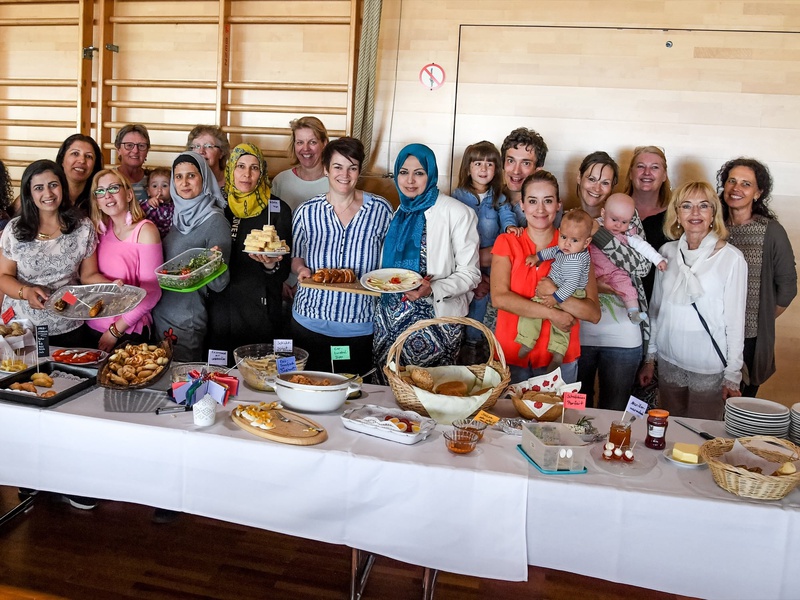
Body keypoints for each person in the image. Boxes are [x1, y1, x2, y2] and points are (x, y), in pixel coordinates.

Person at [638, 181, 747, 419]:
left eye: (703, 206)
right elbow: (656, 308)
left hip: (708, 365)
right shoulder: (666, 252)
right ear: (677, 213)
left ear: (713, 214)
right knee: (669, 429)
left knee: (701, 435)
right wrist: (650, 358)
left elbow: (735, 322)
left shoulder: (731, 259)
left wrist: (733, 373)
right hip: (669, 360)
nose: (695, 213)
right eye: (687, 206)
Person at [373, 143, 480, 382]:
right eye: (403, 172)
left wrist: (433, 288)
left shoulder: (457, 212)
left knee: (430, 393)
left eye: (419, 173)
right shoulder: (400, 211)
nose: (410, 180)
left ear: (431, 175)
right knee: (388, 390)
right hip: (389, 319)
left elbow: (471, 274)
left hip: (435, 321)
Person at [292, 137, 393, 373]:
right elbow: (296, 256)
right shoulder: (307, 211)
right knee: (308, 390)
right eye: (338, 166)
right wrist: (301, 270)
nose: (344, 174)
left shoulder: (381, 210)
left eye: (352, 167)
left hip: (359, 326)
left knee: (353, 395)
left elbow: (390, 263)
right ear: (326, 169)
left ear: (359, 171)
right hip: (309, 321)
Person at [491, 170, 600, 384]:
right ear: (521, 205)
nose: (540, 209)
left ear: (558, 205)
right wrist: (553, 314)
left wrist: (555, 294)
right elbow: (499, 298)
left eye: (548, 201)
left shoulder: (577, 246)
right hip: (512, 355)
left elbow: (593, 313)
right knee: (508, 417)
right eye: (532, 201)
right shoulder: (507, 242)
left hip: (559, 360)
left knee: (557, 418)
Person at [0, 160, 111, 349]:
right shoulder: (15, 229)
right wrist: (26, 292)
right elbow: (3, 276)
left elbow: (87, 275)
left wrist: (113, 286)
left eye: (53, 185)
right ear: (29, 193)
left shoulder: (83, 227)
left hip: (68, 324)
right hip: (20, 329)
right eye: (39, 188)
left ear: (63, 186)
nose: (48, 193)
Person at [205, 143, 292, 364]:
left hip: (261, 308)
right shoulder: (217, 206)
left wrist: (271, 265)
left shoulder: (278, 209)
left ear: (261, 172)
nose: (247, 174)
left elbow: (284, 269)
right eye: (241, 166)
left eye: (254, 168)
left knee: (261, 373)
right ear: (231, 169)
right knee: (222, 375)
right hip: (222, 307)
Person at [717, 158, 797, 397]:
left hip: (749, 338)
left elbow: (787, 288)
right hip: (711, 334)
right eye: (731, 181)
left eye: (746, 183)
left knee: (738, 408)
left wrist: (760, 319)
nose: (736, 188)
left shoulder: (770, 231)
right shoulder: (711, 226)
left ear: (758, 193)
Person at [152, 152, 231, 362]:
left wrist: (213, 263)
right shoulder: (173, 214)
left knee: (181, 384)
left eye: (191, 176)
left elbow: (220, 284)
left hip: (186, 320)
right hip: (158, 313)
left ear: (204, 179)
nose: (184, 183)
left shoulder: (215, 221)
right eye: (178, 177)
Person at [86, 169, 163, 352]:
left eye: (113, 188)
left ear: (129, 194)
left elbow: (152, 292)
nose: (107, 196)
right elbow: (88, 276)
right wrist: (111, 284)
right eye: (100, 191)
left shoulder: (145, 231)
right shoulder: (99, 230)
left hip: (127, 330)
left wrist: (114, 331)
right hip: (92, 325)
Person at [451, 141, 509, 357]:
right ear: (468, 168)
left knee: (493, 297)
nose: (484, 169)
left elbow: (507, 218)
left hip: (494, 260)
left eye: (489, 164)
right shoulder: (458, 196)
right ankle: (472, 342)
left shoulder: (499, 198)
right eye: (477, 164)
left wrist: (511, 227)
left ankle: (491, 344)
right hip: (467, 262)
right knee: (477, 297)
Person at [516, 209, 594, 370]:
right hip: (557, 288)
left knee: (562, 323)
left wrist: (555, 298)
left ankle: (558, 352)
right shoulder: (565, 248)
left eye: (574, 240)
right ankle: (527, 340)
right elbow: (552, 251)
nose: (566, 243)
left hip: (570, 293)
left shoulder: (577, 260)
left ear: (586, 243)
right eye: (564, 237)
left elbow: (571, 285)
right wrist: (537, 257)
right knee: (534, 310)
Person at [592, 193, 667, 324]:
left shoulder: (629, 234)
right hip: (593, 268)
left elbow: (644, 247)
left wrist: (657, 259)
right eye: (614, 220)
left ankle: (633, 313)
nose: (618, 225)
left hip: (616, 273)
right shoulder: (592, 226)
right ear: (603, 213)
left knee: (628, 288)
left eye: (624, 222)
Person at [623, 145, 671, 302]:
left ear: (664, 175)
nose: (647, 173)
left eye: (655, 167)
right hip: (618, 305)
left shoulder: (675, 216)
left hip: (660, 305)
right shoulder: (614, 211)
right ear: (631, 173)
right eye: (640, 166)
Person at [271, 116, 330, 211]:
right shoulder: (281, 181)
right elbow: (272, 220)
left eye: (312, 142)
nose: (306, 148)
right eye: (300, 142)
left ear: (324, 143)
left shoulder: (336, 182)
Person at [500, 127, 549, 229]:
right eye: (510, 161)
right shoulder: (489, 198)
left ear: (538, 170)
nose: (516, 171)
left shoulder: (544, 209)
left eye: (525, 163)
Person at [55, 133, 104, 216]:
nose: (82, 160)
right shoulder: (49, 196)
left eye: (88, 156)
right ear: (62, 160)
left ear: (95, 165)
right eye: (75, 154)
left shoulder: (101, 198)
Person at [115, 124, 151, 204]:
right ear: (118, 149)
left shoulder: (154, 180)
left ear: (147, 151)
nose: (135, 151)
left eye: (141, 146)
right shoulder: (107, 178)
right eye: (129, 145)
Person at [186, 125, 230, 189]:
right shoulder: (185, 181)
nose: (201, 151)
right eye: (197, 146)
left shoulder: (235, 181)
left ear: (222, 152)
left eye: (208, 146)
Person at [142, 167, 173, 238]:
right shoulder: (147, 204)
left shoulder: (175, 206)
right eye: (154, 186)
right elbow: (137, 212)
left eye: (164, 186)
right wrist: (148, 204)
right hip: (150, 238)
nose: (159, 190)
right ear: (148, 191)